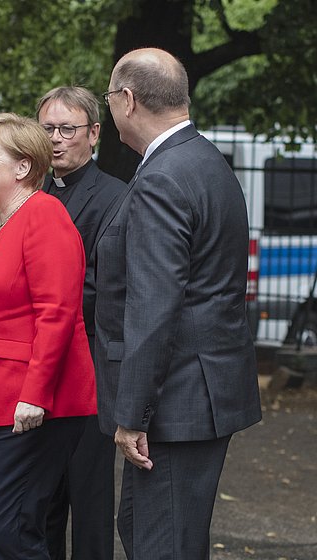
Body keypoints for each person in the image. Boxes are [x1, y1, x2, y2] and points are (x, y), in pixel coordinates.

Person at [95, 48, 262, 559]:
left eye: (109, 98)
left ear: (128, 100)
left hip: (176, 400)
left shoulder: (163, 176)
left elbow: (155, 306)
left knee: (161, 545)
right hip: (202, 391)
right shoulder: (207, 160)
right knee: (152, 532)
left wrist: (133, 414)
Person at [0, 113, 97, 560]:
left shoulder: (45, 216)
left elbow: (59, 313)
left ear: (24, 167)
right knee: (6, 527)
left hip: (32, 406)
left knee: (7, 525)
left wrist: (35, 396)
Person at [35, 87, 127, 560]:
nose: (55, 139)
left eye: (67, 129)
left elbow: (104, 286)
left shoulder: (115, 196)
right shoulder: (32, 193)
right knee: (41, 501)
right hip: (36, 372)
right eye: (47, 128)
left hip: (88, 369)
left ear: (93, 133)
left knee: (89, 502)